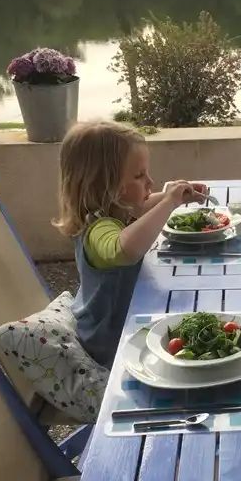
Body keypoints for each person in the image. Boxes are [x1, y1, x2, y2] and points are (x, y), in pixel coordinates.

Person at [53, 120, 208, 367]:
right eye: (138, 176)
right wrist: (168, 203)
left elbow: (141, 206)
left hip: (128, 321)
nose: (150, 181)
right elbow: (126, 250)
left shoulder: (110, 211)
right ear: (105, 187)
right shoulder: (97, 229)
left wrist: (178, 196)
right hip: (111, 344)